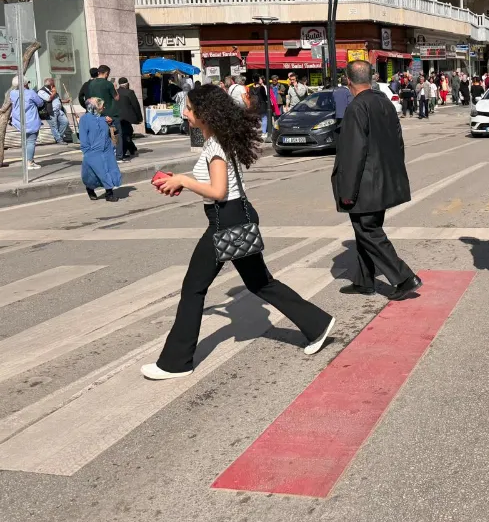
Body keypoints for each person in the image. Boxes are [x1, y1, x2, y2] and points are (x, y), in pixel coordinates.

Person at [143, 84, 336, 380]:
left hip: (226, 218)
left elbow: (218, 191)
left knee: (193, 288)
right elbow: (216, 186)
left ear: (205, 114)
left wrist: (184, 179)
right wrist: (180, 180)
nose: (185, 114)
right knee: (261, 283)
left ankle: (175, 363)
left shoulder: (216, 146)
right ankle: (318, 324)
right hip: (234, 215)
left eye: (190, 109)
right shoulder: (218, 141)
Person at [334, 60, 422, 300]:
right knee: (364, 230)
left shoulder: (356, 108)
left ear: (348, 81)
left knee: (368, 231)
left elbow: (353, 153)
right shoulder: (384, 102)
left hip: (365, 184)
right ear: (371, 78)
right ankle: (364, 281)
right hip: (383, 180)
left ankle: (404, 278)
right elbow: (398, 143)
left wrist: (347, 191)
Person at [79, 97, 122, 201]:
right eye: (101, 105)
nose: (104, 107)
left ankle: (109, 193)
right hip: (93, 150)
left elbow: (114, 133)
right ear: (93, 107)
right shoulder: (84, 119)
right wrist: (87, 151)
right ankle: (90, 188)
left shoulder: (104, 118)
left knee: (110, 169)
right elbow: (83, 137)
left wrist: (111, 123)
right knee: (95, 172)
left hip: (107, 149)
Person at [87, 66, 124, 161]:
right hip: (111, 113)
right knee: (116, 134)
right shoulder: (108, 84)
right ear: (106, 73)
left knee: (102, 136)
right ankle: (118, 156)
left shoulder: (91, 84)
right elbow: (116, 98)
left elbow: (90, 99)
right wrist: (115, 88)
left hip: (98, 114)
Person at [10, 78, 45, 169]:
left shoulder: (12, 93)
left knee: (25, 142)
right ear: (25, 83)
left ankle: (27, 160)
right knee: (31, 142)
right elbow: (40, 103)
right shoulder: (30, 93)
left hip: (18, 121)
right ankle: (30, 162)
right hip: (30, 120)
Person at [38, 78, 71, 145]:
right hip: (50, 111)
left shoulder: (52, 90)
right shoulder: (41, 91)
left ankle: (59, 136)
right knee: (54, 126)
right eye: (53, 84)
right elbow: (48, 99)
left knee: (65, 122)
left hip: (58, 110)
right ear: (49, 84)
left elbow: (57, 100)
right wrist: (54, 92)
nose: (54, 85)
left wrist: (65, 101)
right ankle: (59, 140)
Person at [117, 77, 143, 158]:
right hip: (127, 118)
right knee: (127, 133)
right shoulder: (129, 92)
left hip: (117, 117)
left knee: (125, 133)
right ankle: (126, 151)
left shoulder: (115, 92)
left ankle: (132, 148)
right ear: (127, 84)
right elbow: (136, 105)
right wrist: (139, 117)